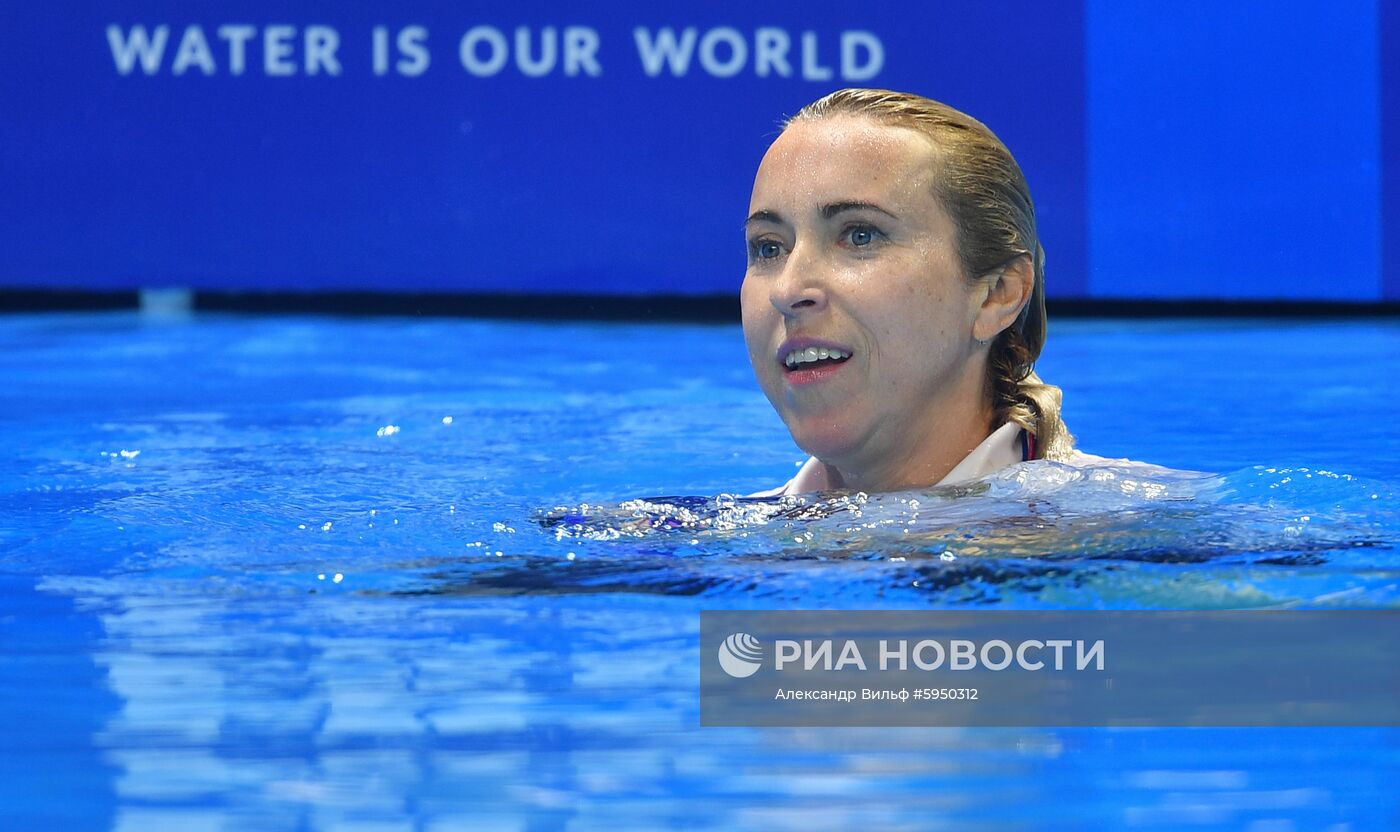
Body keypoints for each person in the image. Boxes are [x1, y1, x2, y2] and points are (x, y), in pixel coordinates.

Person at [743, 88, 1110, 497]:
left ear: (997, 294)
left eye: (861, 235)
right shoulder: (716, 529)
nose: (787, 290)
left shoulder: (1125, 520)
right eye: (768, 247)